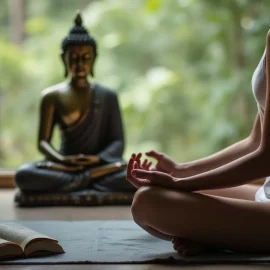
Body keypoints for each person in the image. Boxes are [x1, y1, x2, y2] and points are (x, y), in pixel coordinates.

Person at [126, 31, 270, 256]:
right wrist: (181, 171)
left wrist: (180, 184)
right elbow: (256, 141)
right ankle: (222, 237)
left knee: (147, 203)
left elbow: (265, 160)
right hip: (265, 195)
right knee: (153, 193)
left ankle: (218, 237)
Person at [15, 12, 135, 195]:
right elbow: (43, 143)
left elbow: (118, 142)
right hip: (65, 166)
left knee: (133, 174)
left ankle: (78, 182)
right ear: (63, 59)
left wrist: (96, 159)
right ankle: (88, 182)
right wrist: (63, 160)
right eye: (74, 57)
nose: (80, 63)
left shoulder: (107, 96)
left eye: (85, 57)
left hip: (99, 165)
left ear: (94, 59)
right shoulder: (51, 96)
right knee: (24, 175)